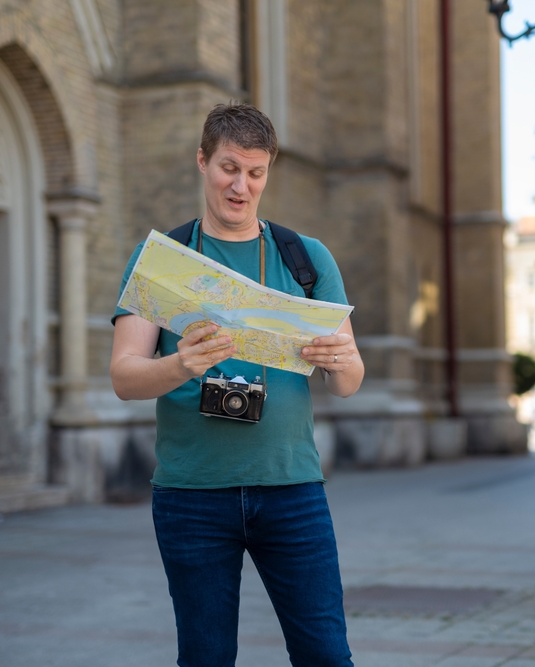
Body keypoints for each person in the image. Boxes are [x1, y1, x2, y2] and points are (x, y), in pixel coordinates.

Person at [109, 102, 362, 667]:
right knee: (205, 657)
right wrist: (181, 364)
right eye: (228, 168)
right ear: (202, 162)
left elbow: (348, 384)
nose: (240, 186)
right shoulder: (163, 261)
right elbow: (125, 377)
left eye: (255, 172)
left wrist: (341, 358)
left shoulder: (306, 258)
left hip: (292, 490)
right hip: (191, 497)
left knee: (326, 654)